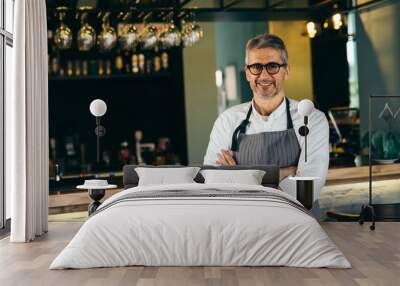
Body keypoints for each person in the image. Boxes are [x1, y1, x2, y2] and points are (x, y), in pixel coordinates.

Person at [203, 33, 329, 205]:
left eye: (272, 66)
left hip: (295, 223)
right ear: (247, 73)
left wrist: (238, 177)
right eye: (256, 67)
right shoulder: (228, 120)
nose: (263, 76)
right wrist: (285, 172)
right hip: (241, 223)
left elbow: (306, 190)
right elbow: (211, 182)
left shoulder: (312, 119)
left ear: (287, 71)